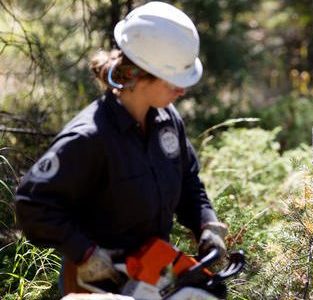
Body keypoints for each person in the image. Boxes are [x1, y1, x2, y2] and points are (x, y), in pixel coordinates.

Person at [14, 1, 227, 296]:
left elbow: (188, 180)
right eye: (174, 82)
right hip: (97, 281)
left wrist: (206, 222)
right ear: (140, 75)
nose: (183, 90)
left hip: (153, 270)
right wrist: (86, 253)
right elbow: (32, 203)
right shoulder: (89, 137)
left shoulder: (167, 120)